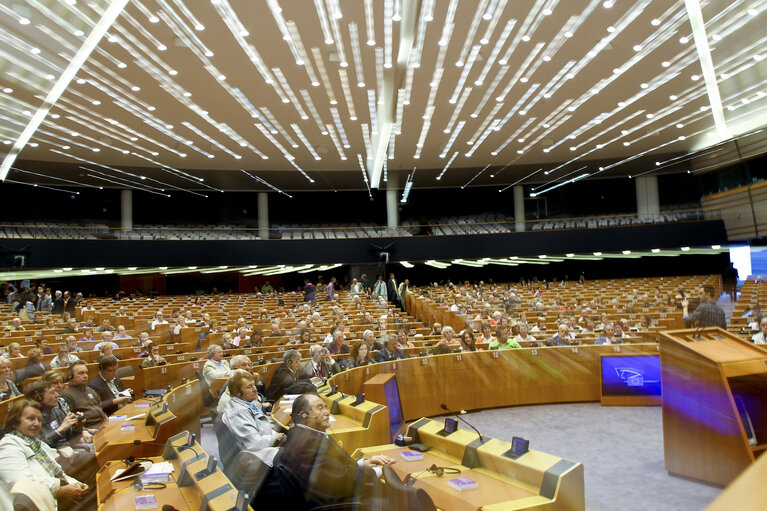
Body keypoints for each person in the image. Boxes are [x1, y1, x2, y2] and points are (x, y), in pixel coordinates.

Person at [253, 393, 394, 509]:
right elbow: (339, 482)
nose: (327, 412)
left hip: (324, 495)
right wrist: (376, 471)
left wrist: (363, 463)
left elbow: (332, 470)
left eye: (325, 407)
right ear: (304, 416)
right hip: (333, 503)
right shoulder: (309, 444)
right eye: (320, 408)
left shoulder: (302, 435)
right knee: (395, 500)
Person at [0, 399, 90, 510]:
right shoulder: (7, 446)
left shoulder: (36, 443)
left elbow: (58, 472)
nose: (37, 424)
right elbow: (24, 485)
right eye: (31, 419)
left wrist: (76, 484)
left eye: (39, 420)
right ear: (14, 422)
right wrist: (60, 491)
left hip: (55, 499)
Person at [221, 370, 284, 467]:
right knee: (294, 452)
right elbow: (254, 443)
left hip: (261, 445)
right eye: (249, 387)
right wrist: (274, 438)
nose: (255, 389)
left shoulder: (246, 403)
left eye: (254, 385)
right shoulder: (239, 412)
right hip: (256, 456)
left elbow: (257, 425)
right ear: (237, 392)